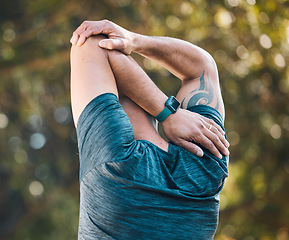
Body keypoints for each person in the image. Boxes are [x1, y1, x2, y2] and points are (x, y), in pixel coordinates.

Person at [70, 20, 230, 240]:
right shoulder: (112, 164)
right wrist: (168, 113)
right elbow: (92, 43)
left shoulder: (208, 170)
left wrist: (134, 41)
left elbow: (202, 68)